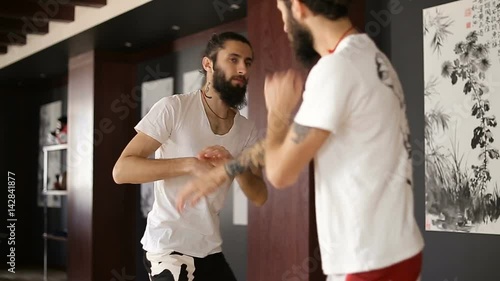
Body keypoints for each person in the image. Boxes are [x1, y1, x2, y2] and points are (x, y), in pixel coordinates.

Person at [176, 1, 425, 280]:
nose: (284, 25)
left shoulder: (336, 69)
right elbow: (295, 140)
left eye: (283, 13)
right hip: (400, 250)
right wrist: (226, 170)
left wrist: (279, 115)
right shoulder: (371, 58)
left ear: (299, 7)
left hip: (365, 260)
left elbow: (281, 173)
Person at [112, 31, 268, 281]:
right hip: (168, 247)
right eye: (233, 59)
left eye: (248, 62)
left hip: (209, 248)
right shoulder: (173, 108)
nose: (242, 69)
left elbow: (259, 195)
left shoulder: (247, 130)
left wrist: (233, 166)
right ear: (208, 64)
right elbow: (122, 171)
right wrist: (189, 164)